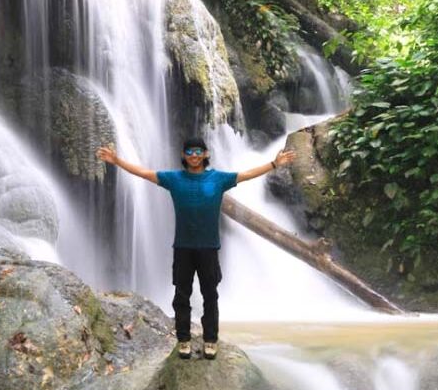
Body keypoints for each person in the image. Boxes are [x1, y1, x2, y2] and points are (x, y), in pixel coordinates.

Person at [95, 137, 296, 360]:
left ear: (205, 154)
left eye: (198, 151)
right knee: (182, 296)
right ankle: (184, 340)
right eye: (189, 151)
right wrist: (116, 161)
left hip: (209, 249)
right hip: (183, 248)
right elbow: (143, 173)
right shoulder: (174, 179)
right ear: (184, 156)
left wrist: (275, 164)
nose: (193, 155)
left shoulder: (218, 178)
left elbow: (247, 175)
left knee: (210, 295)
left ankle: (210, 340)